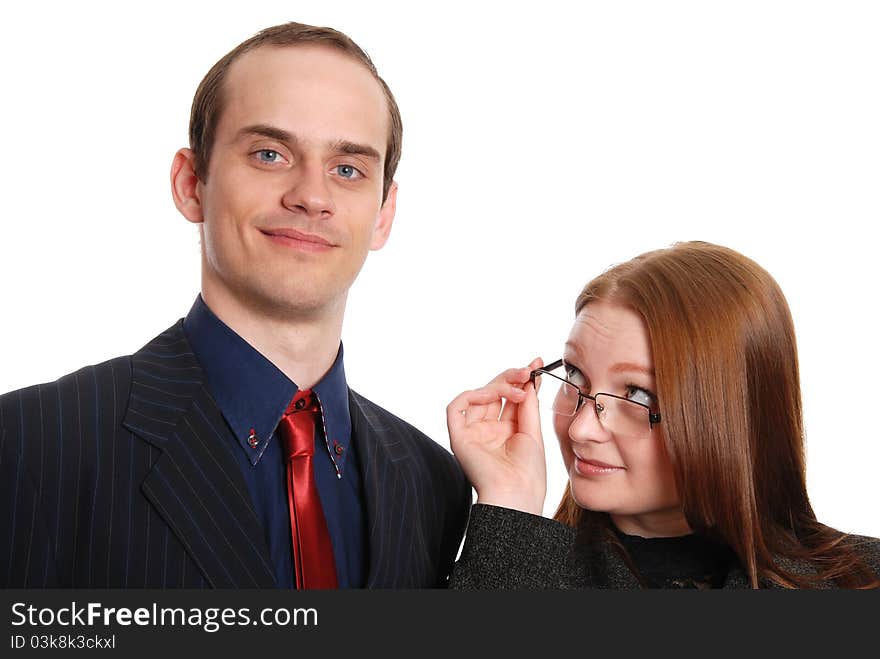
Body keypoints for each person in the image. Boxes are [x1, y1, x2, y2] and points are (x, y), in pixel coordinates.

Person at [0, 21, 470, 588]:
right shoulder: (32, 444)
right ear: (191, 183)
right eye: (270, 154)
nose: (311, 197)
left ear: (384, 213)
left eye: (347, 169)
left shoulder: (434, 482)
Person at [446, 241, 880, 589]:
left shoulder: (864, 580)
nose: (580, 428)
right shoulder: (512, 566)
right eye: (574, 375)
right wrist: (511, 504)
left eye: (636, 394)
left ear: (730, 417)